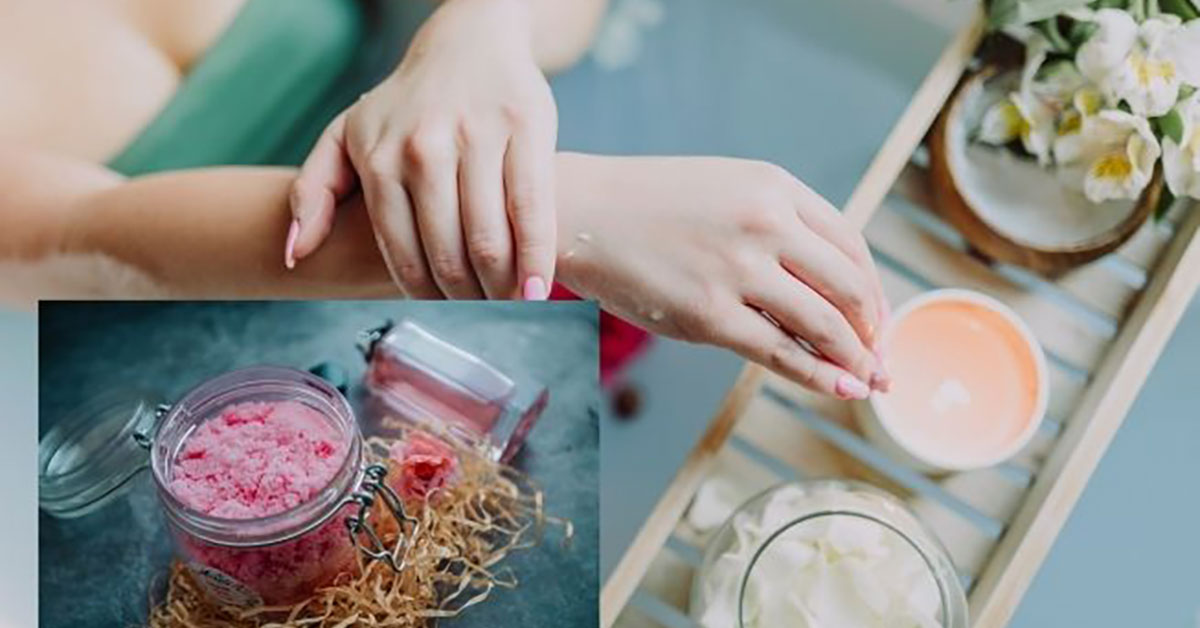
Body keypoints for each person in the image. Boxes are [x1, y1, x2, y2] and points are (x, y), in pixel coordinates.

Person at [0, 0, 889, 399]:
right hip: (250, 359)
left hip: (506, 138)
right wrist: (569, 207)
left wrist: (473, 29)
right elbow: (91, 249)